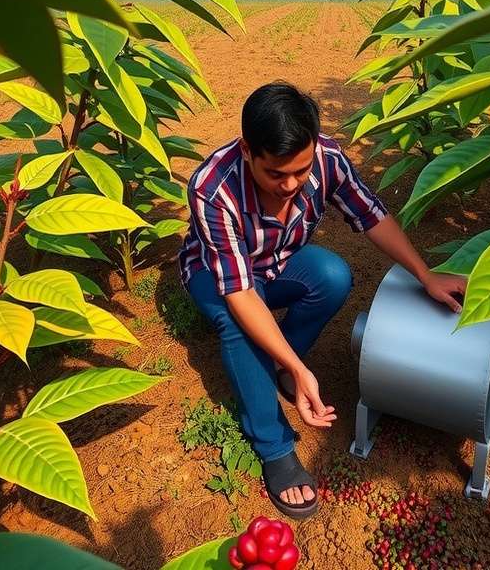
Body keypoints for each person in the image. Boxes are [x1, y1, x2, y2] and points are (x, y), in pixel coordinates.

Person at [179, 82, 467, 519]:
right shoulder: (213, 187)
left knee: (332, 276)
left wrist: (424, 275)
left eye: (301, 170)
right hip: (215, 274)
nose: (291, 184)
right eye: (276, 174)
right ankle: (273, 445)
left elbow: (371, 215)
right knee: (240, 324)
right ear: (247, 150)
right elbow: (240, 292)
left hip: (277, 262)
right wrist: (300, 368)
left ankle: (278, 365)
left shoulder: (327, 158)